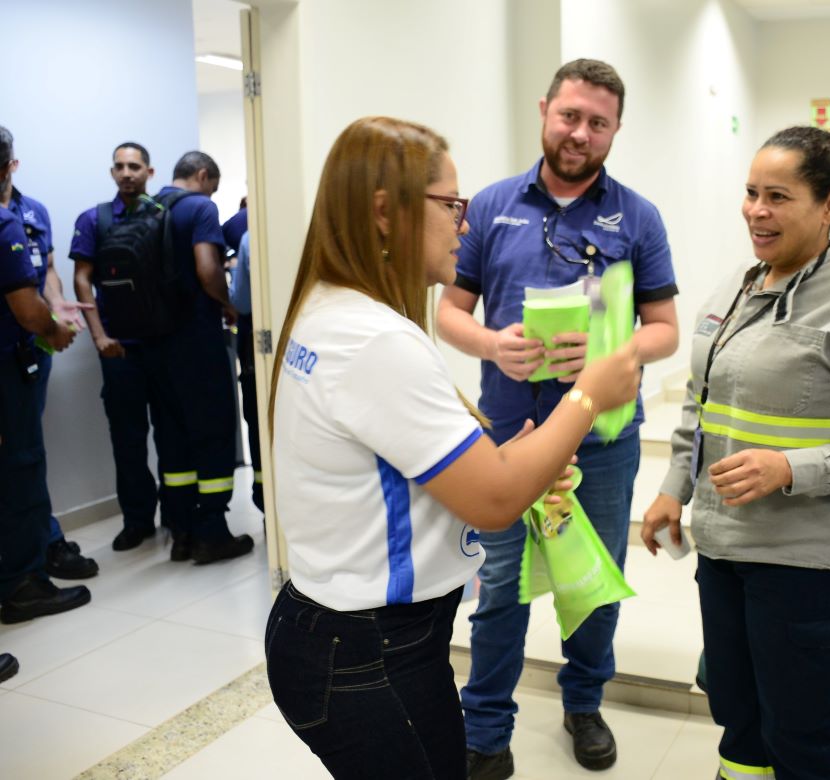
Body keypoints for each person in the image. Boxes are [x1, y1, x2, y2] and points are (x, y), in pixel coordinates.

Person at [265, 115, 640, 780]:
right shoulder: (376, 340)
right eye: (450, 206)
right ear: (386, 212)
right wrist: (589, 393)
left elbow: (428, 468)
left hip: (341, 634)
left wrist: (515, 464)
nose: (463, 225)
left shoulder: (333, 309)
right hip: (367, 653)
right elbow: (494, 501)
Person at [641, 126, 830, 780]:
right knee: (738, 721)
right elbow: (700, 405)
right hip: (725, 553)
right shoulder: (735, 290)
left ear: (829, 205)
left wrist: (788, 468)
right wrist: (673, 488)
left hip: (808, 568)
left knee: (799, 737)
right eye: (749, 194)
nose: (756, 211)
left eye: (777, 196)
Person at [435, 58, 679, 776]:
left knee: (592, 585)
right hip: (508, 437)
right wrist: (491, 344)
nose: (580, 133)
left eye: (597, 123)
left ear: (615, 130)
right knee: (501, 592)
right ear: (545, 110)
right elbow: (449, 311)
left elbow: (664, 326)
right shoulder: (487, 206)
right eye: (569, 116)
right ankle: (485, 731)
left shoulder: (638, 216)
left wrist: (612, 348)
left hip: (602, 439)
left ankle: (583, 702)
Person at [0, 126, 98, 580]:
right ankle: (27, 565)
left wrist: (56, 304)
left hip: (30, 355)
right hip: (15, 346)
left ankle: (42, 541)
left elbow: (49, 271)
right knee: (19, 461)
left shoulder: (31, 211)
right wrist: (49, 325)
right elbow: (22, 303)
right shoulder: (3, 224)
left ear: (12, 165)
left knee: (28, 456)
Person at [143, 151, 249, 565]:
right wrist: (228, 304)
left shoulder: (146, 209)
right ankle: (213, 533)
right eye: (214, 186)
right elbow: (208, 270)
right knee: (212, 431)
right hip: (196, 340)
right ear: (203, 176)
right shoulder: (200, 207)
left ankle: (182, 532)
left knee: (172, 437)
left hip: (154, 344)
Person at [71, 142, 172, 552]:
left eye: (134, 166)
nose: (126, 173)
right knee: (127, 440)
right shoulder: (93, 219)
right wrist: (98, 336)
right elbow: (82, 279)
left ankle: (179, 516)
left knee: (171, 435)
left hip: (163, 346)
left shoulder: (164, 216)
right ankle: (137, 520)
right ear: (112, 173)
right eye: (119, 167)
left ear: (149, 171)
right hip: (118, 350)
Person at [229, 228, 263, 513]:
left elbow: (240, 301)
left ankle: (264, 499)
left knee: (259, 422)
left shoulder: (250, 238)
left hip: (258, 345)